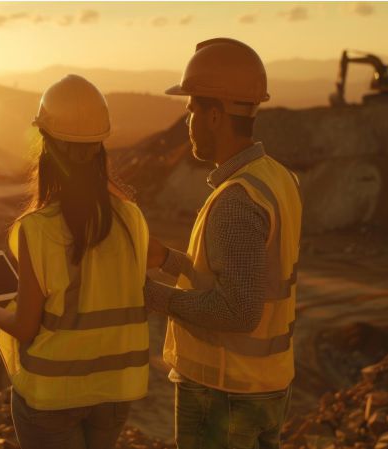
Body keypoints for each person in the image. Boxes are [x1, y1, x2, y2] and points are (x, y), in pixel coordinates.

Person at [0, 74, 150, 449]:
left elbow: (25, 327)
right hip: (115, 391)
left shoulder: (38, 228)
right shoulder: (131, 219)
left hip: (53, 395)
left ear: (44, 145)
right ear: (101, 146)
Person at [144, 38, 302, 449]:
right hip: (264, 387)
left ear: (214, 116)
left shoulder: (236, 200)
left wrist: (150, 294)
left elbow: (238, 309)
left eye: (191, 109)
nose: (188, 120)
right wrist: (168, 260)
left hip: (226, 392)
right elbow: (246, 276)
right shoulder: (277, 179)